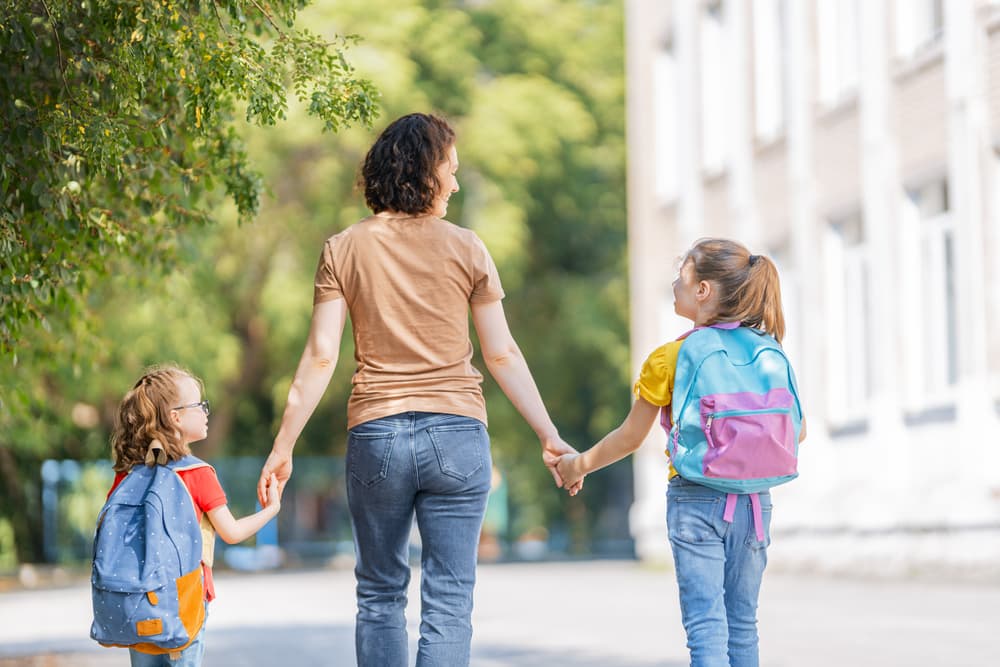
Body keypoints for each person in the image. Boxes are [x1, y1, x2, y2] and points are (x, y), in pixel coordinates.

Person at [256, 112, 580, 667]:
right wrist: (548, 435)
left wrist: (283, 445)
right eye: (450, 170)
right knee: (449, 600)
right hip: (456, 434)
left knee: (380, 594)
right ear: (425, 172)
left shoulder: (344, 248)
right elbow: (502, 353)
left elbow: (322, 355)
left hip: (376, 434)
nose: (455, 183)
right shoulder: (468, 247)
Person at [556, 238, 807, 667]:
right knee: (742, 625)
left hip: (695, 501)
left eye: (682, 275)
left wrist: (576, 464)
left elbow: (631, 438)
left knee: (707, 626)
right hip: (755, 505)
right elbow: (796, 433)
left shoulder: (670, 356)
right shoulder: (769, 351)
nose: (675, 283)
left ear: (703, 290)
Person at [107, 364, 282, 667]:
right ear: (176, 417)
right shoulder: (197, 473)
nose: (206, 412)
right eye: (199, 405)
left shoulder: (129, 474)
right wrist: (272, 509)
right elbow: (232, 533)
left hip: (135, 599)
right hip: (184, 602)